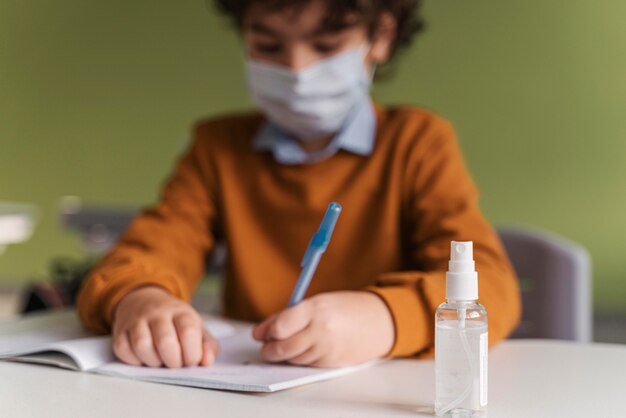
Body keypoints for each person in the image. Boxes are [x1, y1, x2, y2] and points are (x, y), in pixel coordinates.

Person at [77, 0, 521, 369]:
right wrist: (142, 299)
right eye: (268, 45)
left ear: (380, 36)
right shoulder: (218, 148)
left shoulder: (418, 144)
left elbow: (493, 286)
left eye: (326, 46)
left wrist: (383, 318)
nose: (296, 69)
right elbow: (147, 251)